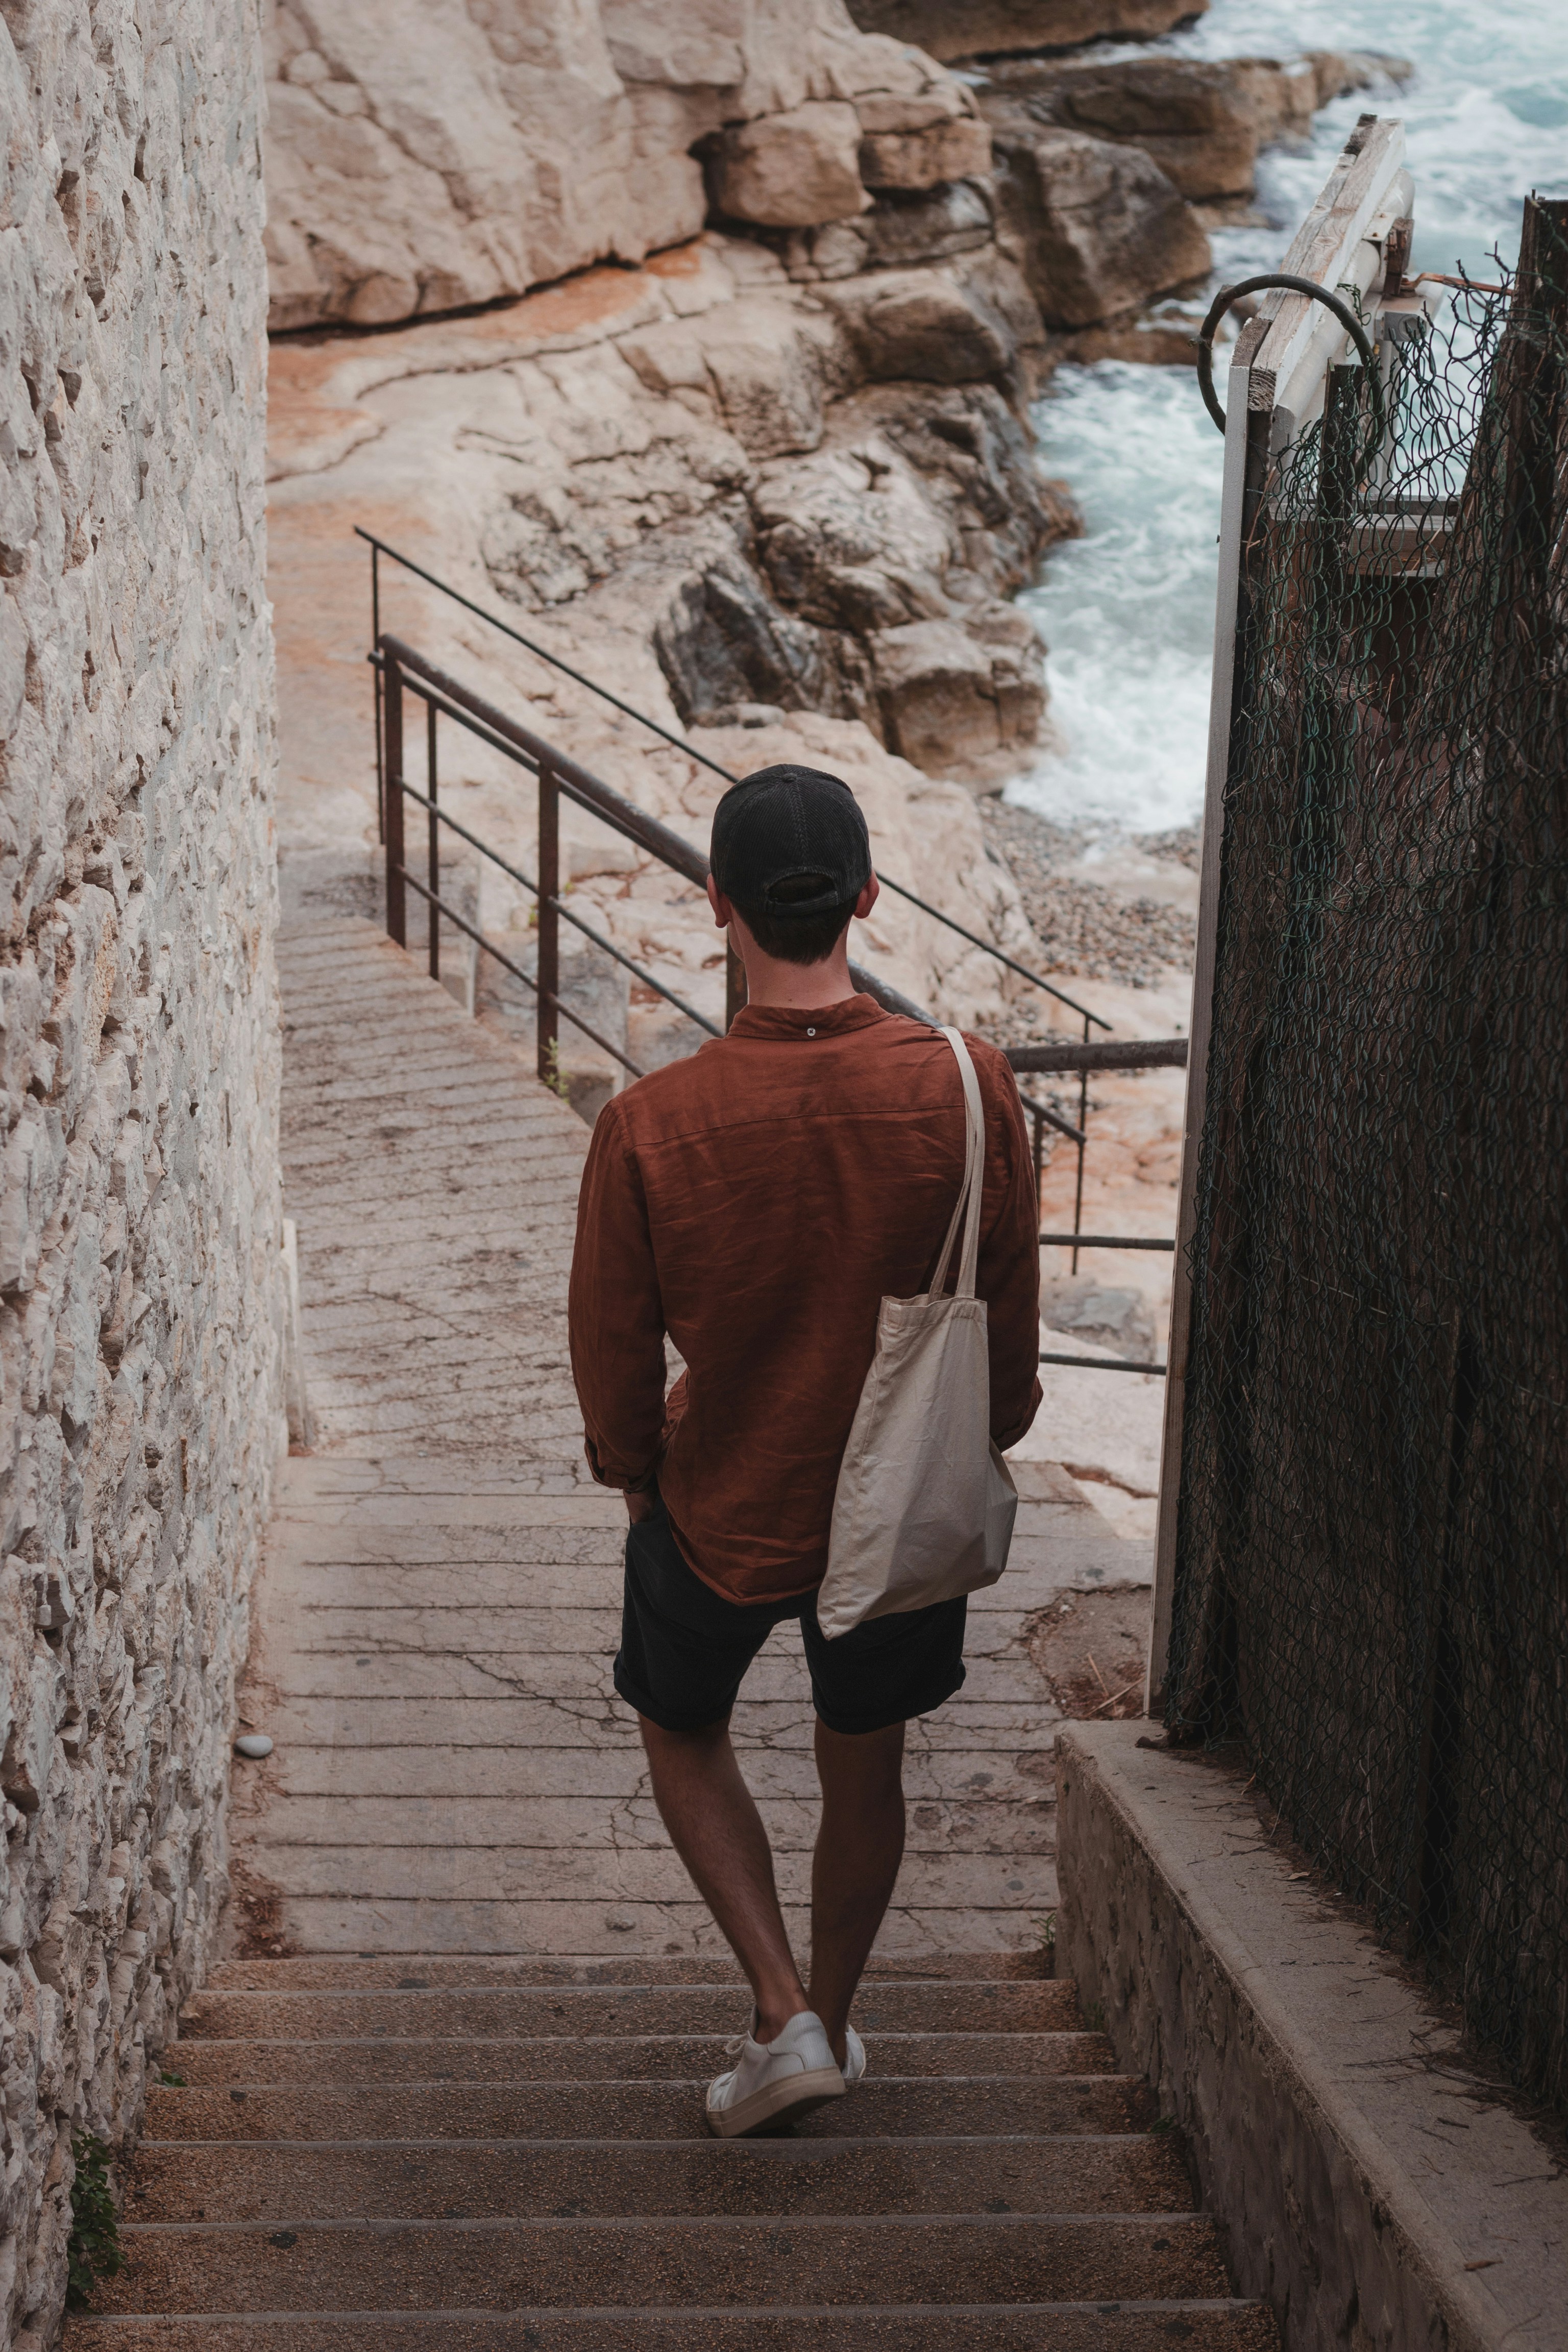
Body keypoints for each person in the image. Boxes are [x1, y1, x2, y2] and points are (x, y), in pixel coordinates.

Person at [568, 763, 1041, 2137]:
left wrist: (633, 1470)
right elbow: (1005, 1334)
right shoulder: (970, 1087)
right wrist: (981, 1441)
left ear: (716, 904)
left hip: (719, 1500)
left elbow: (613, 1358)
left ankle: (779, 2008)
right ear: (867, 900)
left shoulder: (648, 1128)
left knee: (680, 1721)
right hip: (898, 1513)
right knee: (865, 1758)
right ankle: (832, 2011)